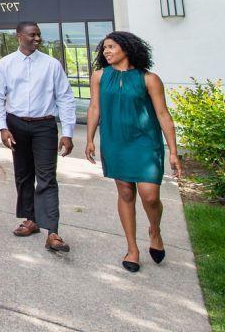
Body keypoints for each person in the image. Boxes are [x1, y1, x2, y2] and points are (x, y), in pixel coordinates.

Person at [84, 31, 182, 273]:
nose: (106, 51)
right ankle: (132, 248)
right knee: (126, 192)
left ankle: (155, 230)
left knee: (150, 196)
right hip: (115, 142)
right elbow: (94, 108)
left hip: (145, 143)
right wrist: (90, 139)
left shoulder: (149, 79)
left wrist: (173, 151)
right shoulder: (99, 76)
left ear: (127, 49)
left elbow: (162, 115)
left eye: (111, 47)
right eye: (104, 48)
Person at [0, 21, 76, 253]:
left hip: (44, 126)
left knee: (47, 177)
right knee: (23, 175)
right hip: (16, 125)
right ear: (19, 36)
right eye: (32, 35)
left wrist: (67, 132)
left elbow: (65, 98)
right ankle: (31, 220)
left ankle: (53, 232)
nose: (37, 38)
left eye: (38, 35)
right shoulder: (5, 64)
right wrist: (2, 127)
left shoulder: (51, 65)